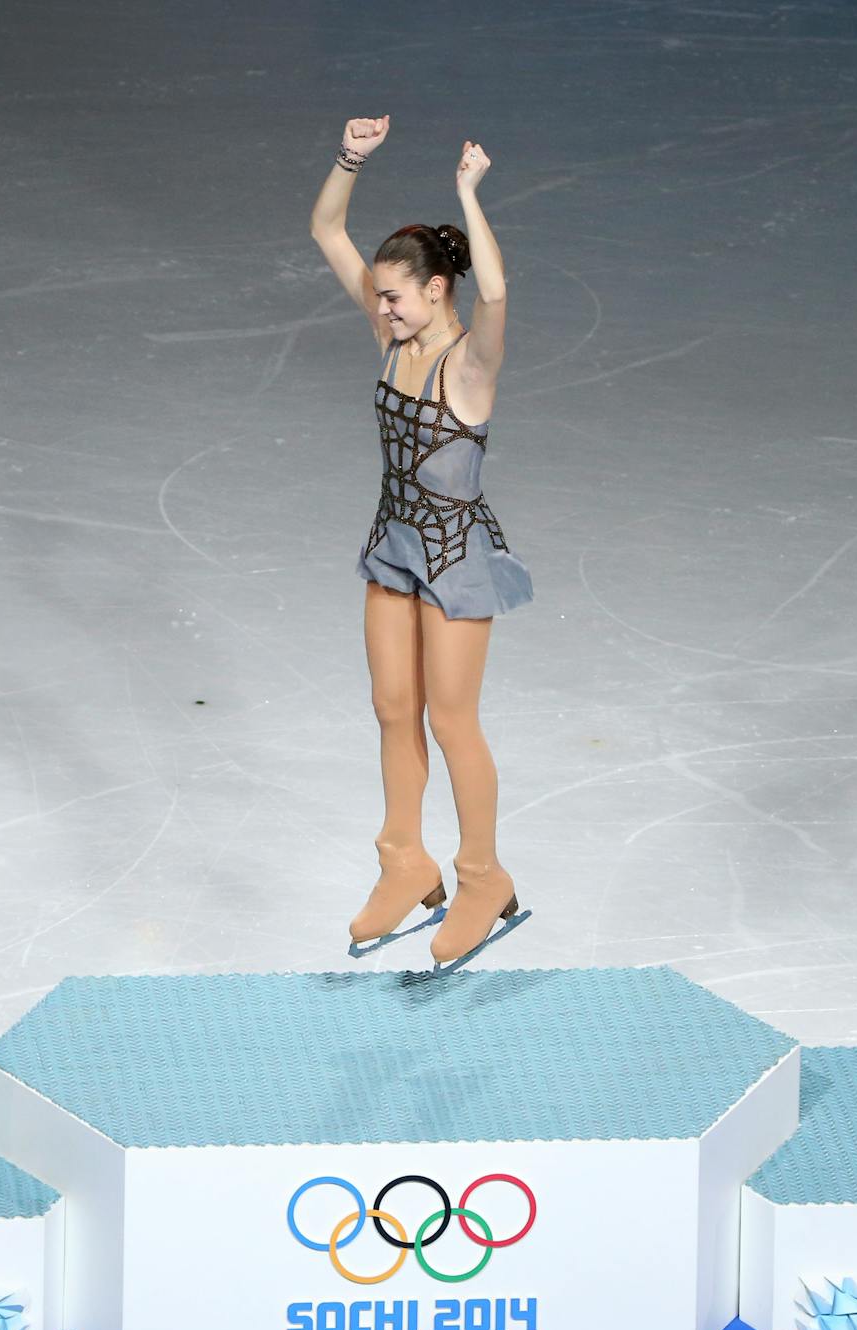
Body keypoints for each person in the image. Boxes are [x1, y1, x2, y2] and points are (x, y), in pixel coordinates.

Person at [308, 117, 533, 968]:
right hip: (392, 546)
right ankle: (406, 859)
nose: (380, 305)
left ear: (438, 291)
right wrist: (350, 160)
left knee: (451, 719)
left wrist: (470, 195)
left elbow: (500, 295)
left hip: (456, 559)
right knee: (392, 709)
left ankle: (482, 873)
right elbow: (327, 229)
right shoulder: (389, 337)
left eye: (395, 295)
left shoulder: (470, 365)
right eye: (379, 296)